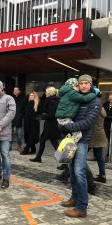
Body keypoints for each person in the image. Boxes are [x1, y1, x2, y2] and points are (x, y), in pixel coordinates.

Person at [59, 74, 101, 218]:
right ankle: (74, 198)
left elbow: (88, 123)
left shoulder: (95, 101)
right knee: (71, 170)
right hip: (71, 139)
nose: (83, 85)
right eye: (81, 83)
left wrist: (67, 126)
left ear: (90, 85)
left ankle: (81, 207)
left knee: (79, 172)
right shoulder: (76, 98)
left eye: (86, 83)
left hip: (82, 141)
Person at [55, 78, 96, 143]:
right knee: (78, 134)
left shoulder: (66, 93)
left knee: (71, 133)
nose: (79, 87)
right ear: (72, 87)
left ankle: (68, 141)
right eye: (77, 86)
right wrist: (94, 94)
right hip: (65, 118)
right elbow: (85, 98)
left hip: (62, 118)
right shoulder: (72, 93)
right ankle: (71, 144)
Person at [30, 87, 60, 163]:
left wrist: (42, 116)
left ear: (49, 93)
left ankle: (64, 161)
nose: (45, 93)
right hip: (50, 125)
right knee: (43, 140)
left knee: (54, 143)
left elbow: (51, 115)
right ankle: (38, 157)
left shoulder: (52, 101)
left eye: (46, 92)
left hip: (51, 125)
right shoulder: (51, 100)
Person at [89, 106, 108, 183]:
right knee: (99, 156)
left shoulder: (94, 107)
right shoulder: (102, 108)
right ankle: (102, 175)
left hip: (93, 135)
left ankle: (83, 174)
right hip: (100, 134)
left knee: (80, 154)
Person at [12, 87, 25, 151]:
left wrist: (20, 116)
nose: (15, 91)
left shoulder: (22, 99)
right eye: (14, 90)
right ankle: (9, 146)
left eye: (16, 90)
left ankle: (19, 146)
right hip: (11, 118)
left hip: (18, 118)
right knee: (10, 133)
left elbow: (23, 109)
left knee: (19, 134)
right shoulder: (10, 98)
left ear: (19, 91)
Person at [103, 93, 112, 161]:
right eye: (110, 99)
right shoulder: (105, 104)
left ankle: (109, 155)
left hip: (110, 123)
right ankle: (108, 155)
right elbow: (104, 114)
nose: (111, 100)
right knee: (108, 140)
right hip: (106, 124)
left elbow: (106, 115)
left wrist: (107, 116)